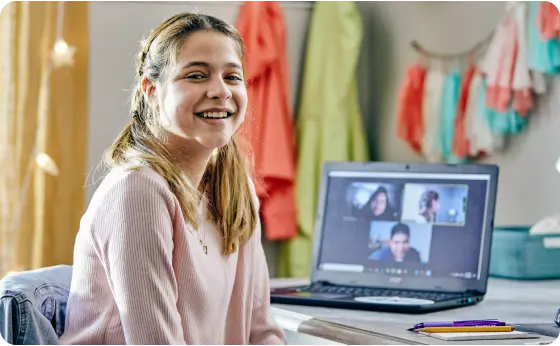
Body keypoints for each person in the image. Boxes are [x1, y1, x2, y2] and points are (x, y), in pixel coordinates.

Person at [59, 13, 286, 346]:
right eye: (196, 75)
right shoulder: (137, 191)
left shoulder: (238, 193)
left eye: (232, 76)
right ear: (152, 91)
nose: (220, 91)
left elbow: (261, 331)